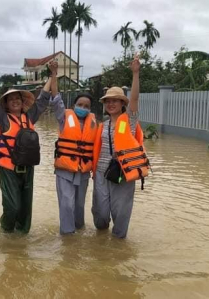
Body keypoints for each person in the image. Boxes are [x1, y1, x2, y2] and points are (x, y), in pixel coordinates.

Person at [0, 60, 50, 234]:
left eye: (17, 98)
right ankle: (6, 229)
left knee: (25, 208)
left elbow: (42, 100)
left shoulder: (30, 117)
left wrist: (53, 76)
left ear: (22, 101)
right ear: (7, 103)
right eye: (11, 99)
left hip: (28, 168)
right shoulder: (3, 118)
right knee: (12, 206)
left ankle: (21, 238)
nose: (15, 101)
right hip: (8, 168)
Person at [91, 54, 149, 238]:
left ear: (122, 103)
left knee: (121, 213)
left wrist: (135, 73)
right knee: (99, 214)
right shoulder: (103, 124)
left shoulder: (129, 121)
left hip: (124, 172)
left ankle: (117, 248)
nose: (111, 104)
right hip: (101, 172)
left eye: (115, 100)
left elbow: (135, 99)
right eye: (108, 101)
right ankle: (101, 241)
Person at [48, 60, 98, 235]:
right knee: (67, 203)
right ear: (74, 105)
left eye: (86, 106)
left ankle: (79, 231)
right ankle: (67, 237)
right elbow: (55, 98)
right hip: (65, 170)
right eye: (80, 105)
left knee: (79, 205)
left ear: (90, 109)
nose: (83, 108)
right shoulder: (64, 117)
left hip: (83, 171)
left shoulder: (93, 123)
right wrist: (54, 73)